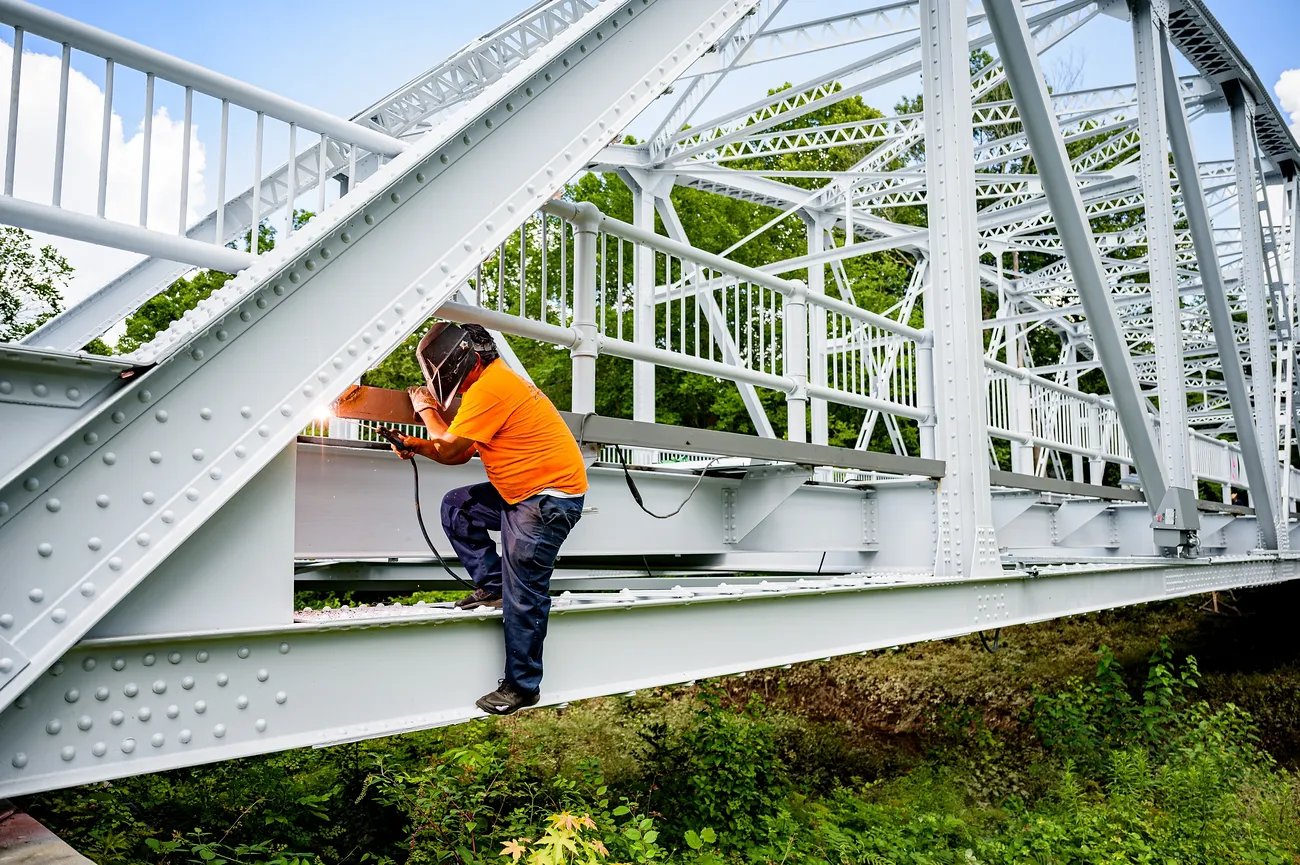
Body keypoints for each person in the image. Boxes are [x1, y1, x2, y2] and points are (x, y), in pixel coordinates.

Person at [388, 322, 587, 715]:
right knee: (458, 507)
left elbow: (451, 450)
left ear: (471, 361)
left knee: (525, 593)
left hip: (546, 501)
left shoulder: (492, 387)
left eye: (449, 375)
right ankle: (492, 585)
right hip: (521, 491)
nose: (452, 385)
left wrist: (426, 410)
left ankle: (522, 686)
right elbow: (456, 451)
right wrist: (417, 442)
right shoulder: (490, 385)